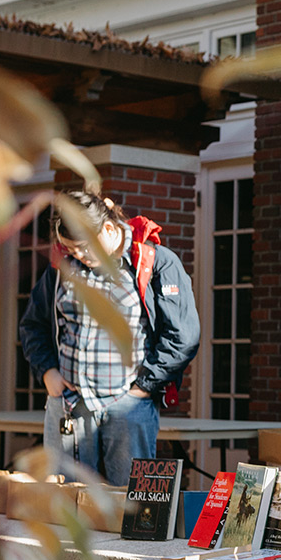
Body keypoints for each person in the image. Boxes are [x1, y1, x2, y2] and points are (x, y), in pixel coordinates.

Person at [19, 191, 201, 486]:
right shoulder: (61, 269)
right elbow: (33, 324)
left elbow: (184, 336)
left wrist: (144, 387)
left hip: (129, 407)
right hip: (69, 405)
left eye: (83, 248)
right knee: (62, 505)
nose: (78, 256)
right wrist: (47, 371)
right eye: (70, 249)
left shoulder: (155, 263)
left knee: (128, 507)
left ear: (107, 228)